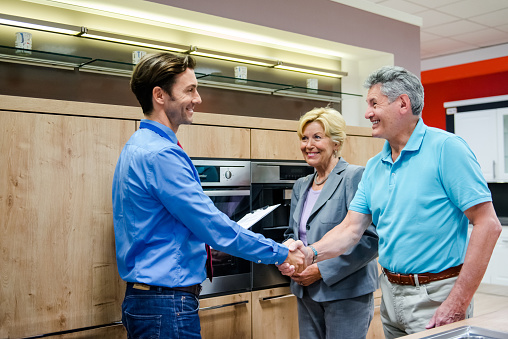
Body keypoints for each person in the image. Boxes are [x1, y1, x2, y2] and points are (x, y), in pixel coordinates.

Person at [280, 66, 502, 338]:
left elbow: (488, 225)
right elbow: (351, 229)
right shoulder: (375, 166)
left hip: (436, 295)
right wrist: (310, 252)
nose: (367, 113)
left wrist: (458, 302)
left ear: (403, 103)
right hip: (390, 294)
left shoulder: (447, 148)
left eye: (374, 104)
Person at [112, 52, 306, 338]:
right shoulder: (162, 155)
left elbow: (163, 225)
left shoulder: (138, 145)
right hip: (167, 307)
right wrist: (280, 252)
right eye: (189, 90)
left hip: (150, 302)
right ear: (159, 95)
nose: (198, 98)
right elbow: (213, 225)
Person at [284, 107, 379, 339]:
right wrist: (288, 255)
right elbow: (292, 232)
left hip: (346, 292)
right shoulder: (301, 185)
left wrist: (320, 270)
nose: (309, 145)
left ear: (336, 143)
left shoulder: (355, 176)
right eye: (304, 138)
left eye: (317, 137)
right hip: (305, 291)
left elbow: (370, 239)